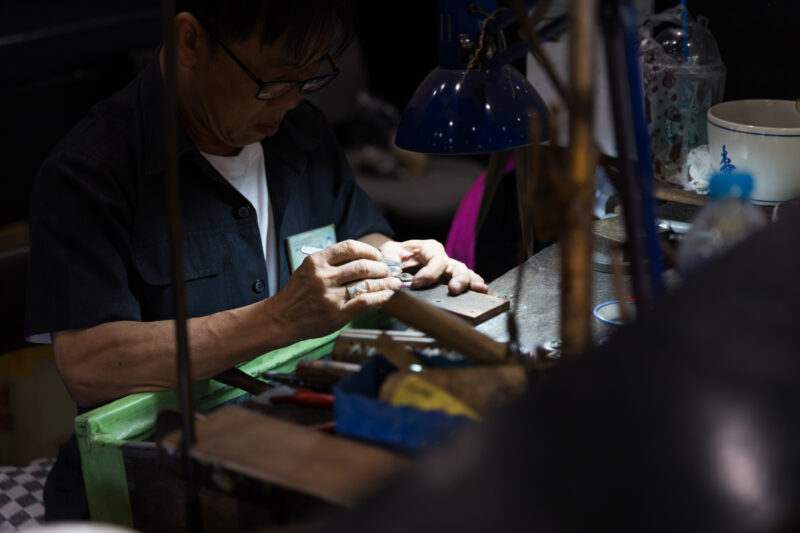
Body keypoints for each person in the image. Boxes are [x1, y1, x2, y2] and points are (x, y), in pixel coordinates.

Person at [24, 0, 487, 520]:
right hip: (152, 482)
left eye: (309, 79)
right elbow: (91, 365)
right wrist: (279, 319)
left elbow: (361, 234)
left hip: (291, 439)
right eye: (273, 81)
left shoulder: (302, 131)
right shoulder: (88, 174)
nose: (289, 102)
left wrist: (400, 258)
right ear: (191, 41)